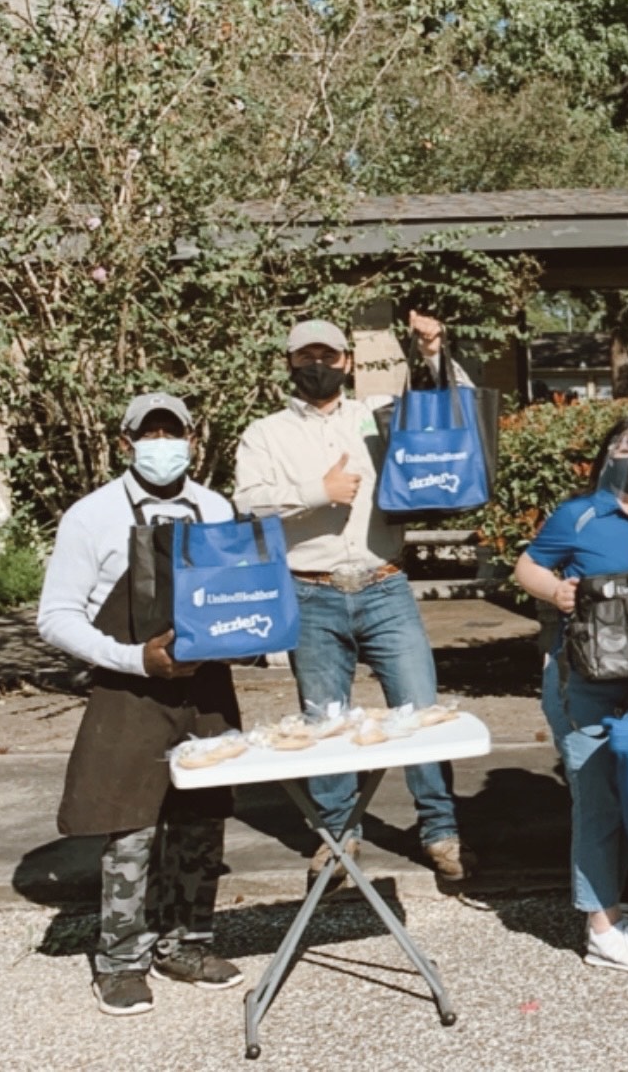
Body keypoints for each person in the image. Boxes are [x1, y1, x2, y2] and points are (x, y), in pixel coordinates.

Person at [232, 319, 475, 891]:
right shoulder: (263, 434)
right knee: (325, 722)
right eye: (305, 355)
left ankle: (441, 832)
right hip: (310, 591)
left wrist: (434, 352)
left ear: (348, 362)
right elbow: (248, 503)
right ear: (289, 363)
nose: (318, 364)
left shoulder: (379, 415)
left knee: (420, 713)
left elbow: (449, 414)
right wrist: (319, 492)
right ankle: (338, 837)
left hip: (384, 585)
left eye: (329, 354)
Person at [37, 393, 244, 1015]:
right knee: (128, 828)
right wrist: (134, 658)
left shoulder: (215, 508)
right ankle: (122, 959)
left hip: (205, 687)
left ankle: (188, 943)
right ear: (125, 444)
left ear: (191, 440)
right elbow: (56, 618)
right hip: (128, 687)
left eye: (172, 430)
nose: (162, 442)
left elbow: (234, 596)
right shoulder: (90, 516)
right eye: (148, 432)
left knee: (200, 823)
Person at [513, 415, 628, 973]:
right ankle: (601, 929)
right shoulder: (580, 514)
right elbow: (527, 564)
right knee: (597, 801)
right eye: (625, 446)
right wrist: (556, 591)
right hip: (586, 682)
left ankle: (618, 910)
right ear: (606, 455)